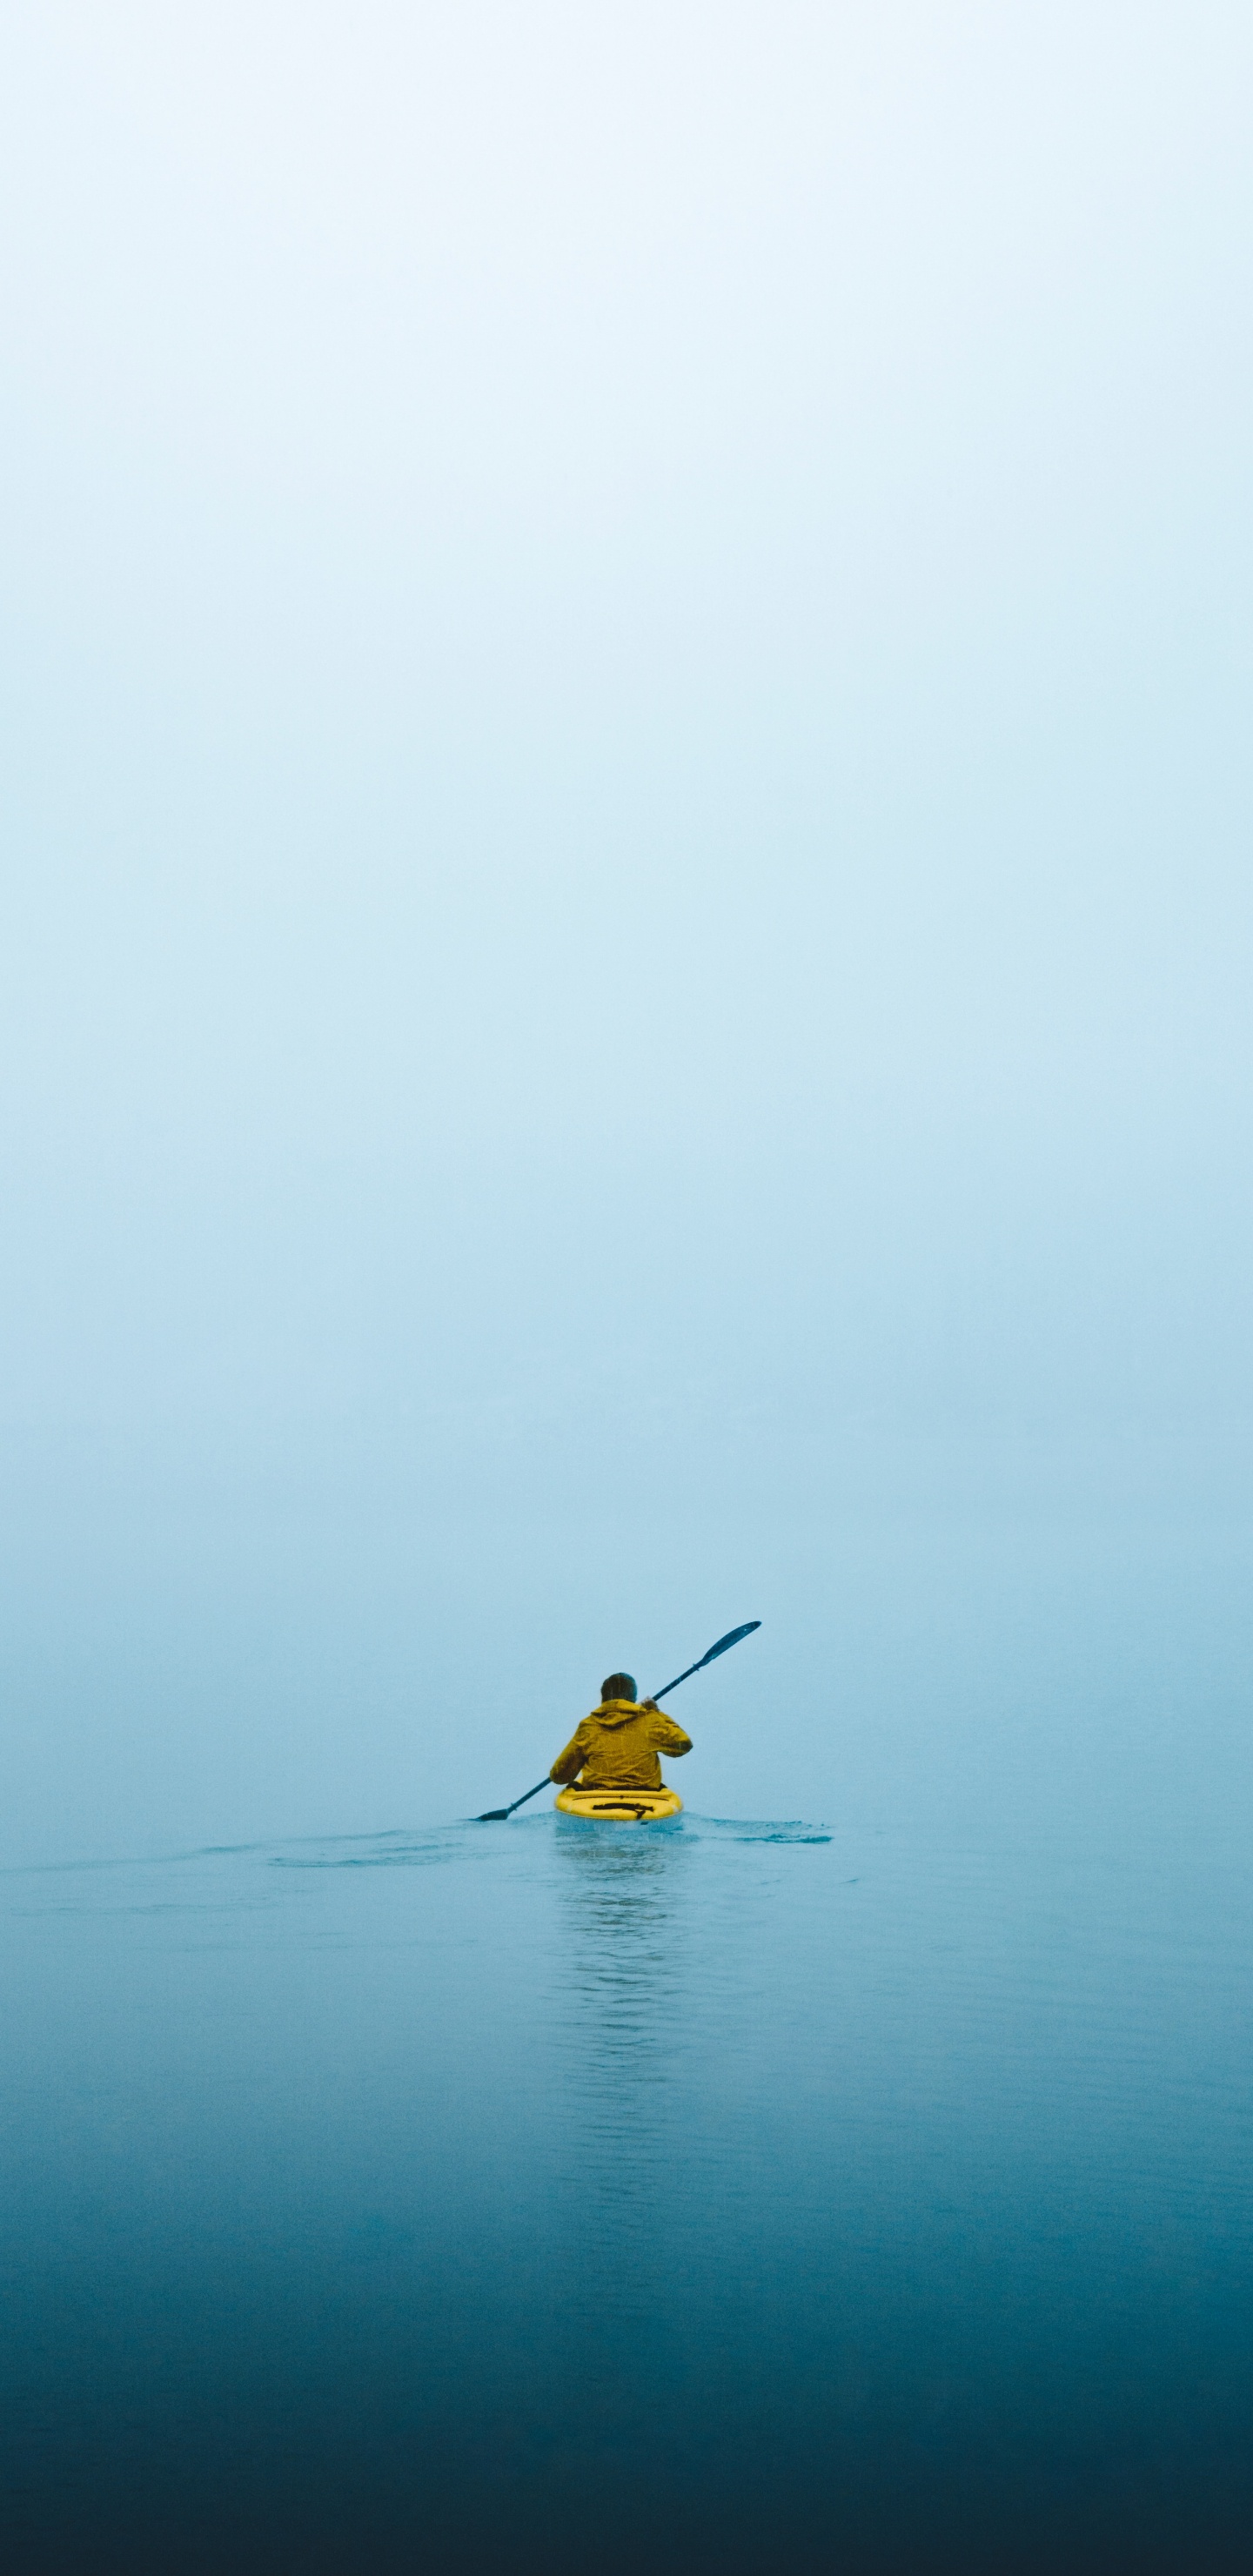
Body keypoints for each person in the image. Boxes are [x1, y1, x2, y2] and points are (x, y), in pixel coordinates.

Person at [550, 1673, 693, 1794]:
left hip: (597, 1800)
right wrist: (657, 1712)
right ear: (633, 1699)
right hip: (645, 1799)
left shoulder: (588, 1726)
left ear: (603, 1698)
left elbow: (559, 1776)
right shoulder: (650, 1720)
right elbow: (684, 1745)